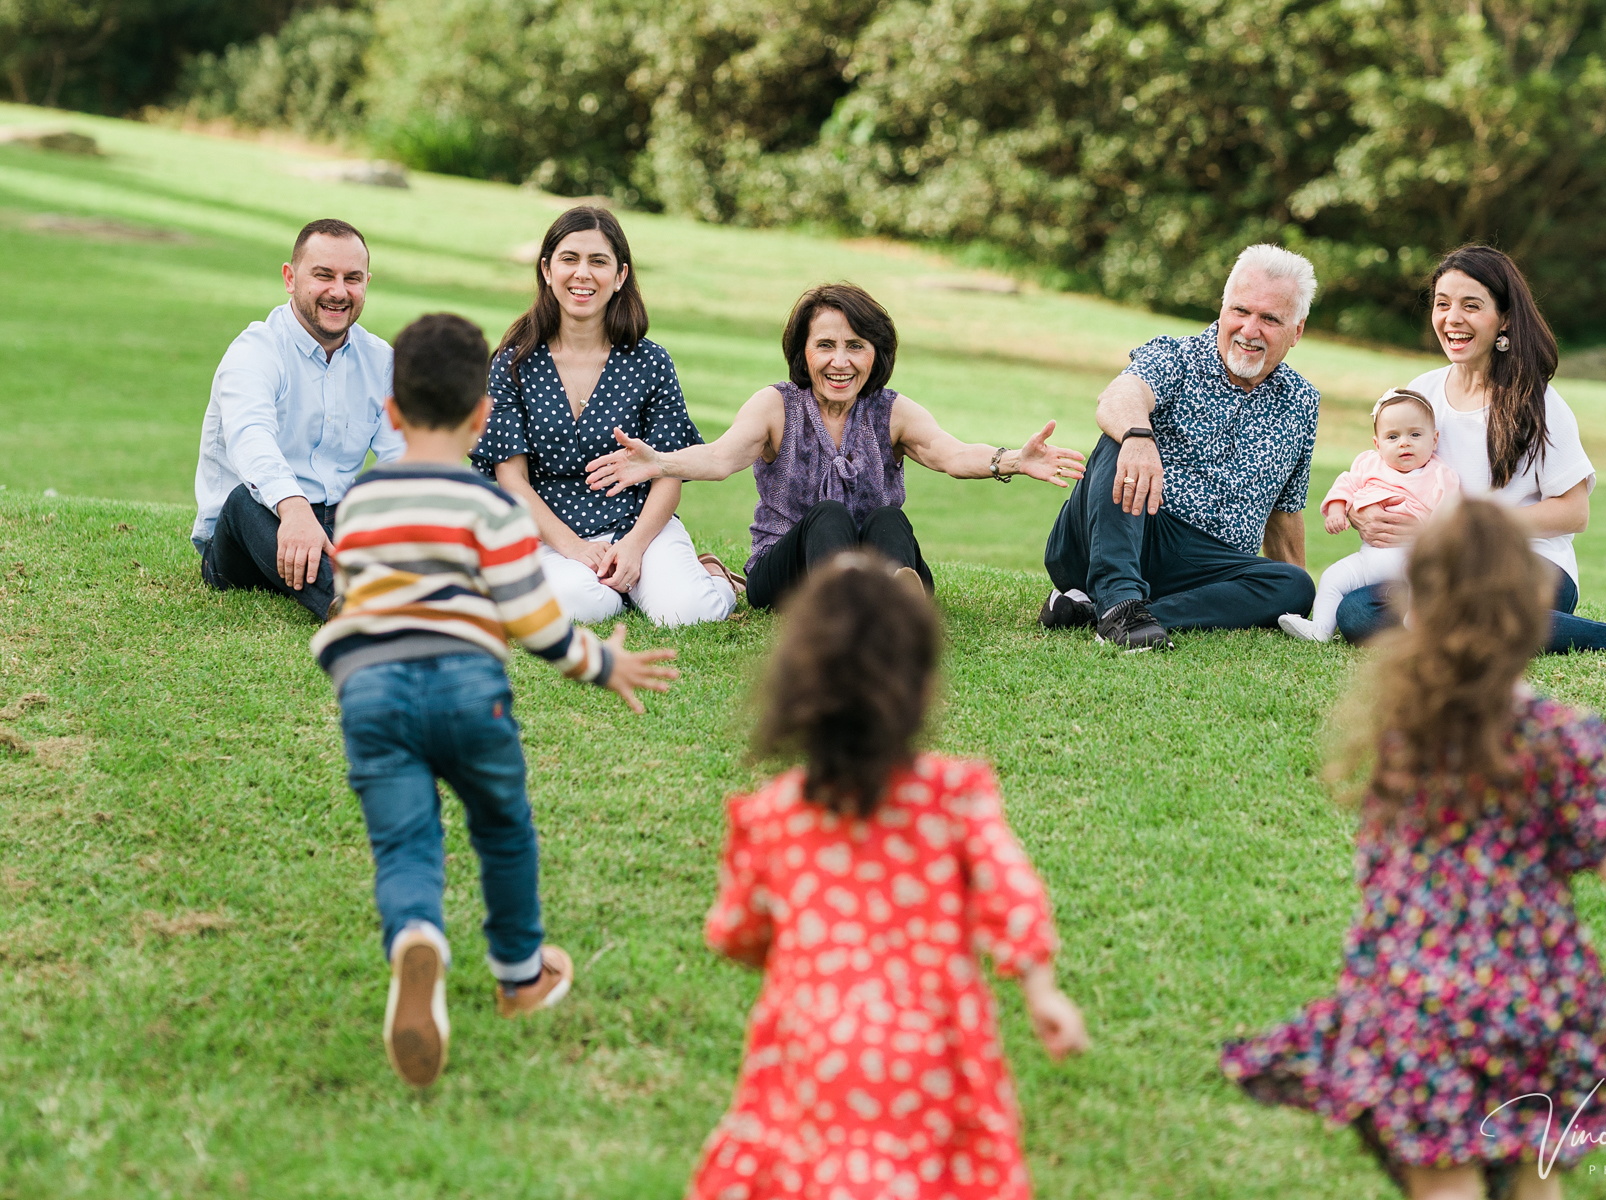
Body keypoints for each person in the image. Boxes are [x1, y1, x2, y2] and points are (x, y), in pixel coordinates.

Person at [1221, 499, 1606, 1200]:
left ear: (1415, 611)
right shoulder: (1568, 737)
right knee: (1529, 1170)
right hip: (1529, 997)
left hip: (1411, 995)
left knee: (1443, 1177)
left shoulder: (1402, 723)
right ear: (1533, 618)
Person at [311, 313, 681, 1088]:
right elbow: (534, 618)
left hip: (372, 696)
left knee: (406, 845)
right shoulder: (492, 509)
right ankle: (519, 976)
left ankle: (418, 935)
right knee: (504, 829)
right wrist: (601, 663)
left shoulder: (364, 500)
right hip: (467, 688)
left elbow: (348, 600)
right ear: (483, 417)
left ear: (392, 413)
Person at [689, 555, 1089, 1199]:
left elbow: (736, 932)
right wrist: (1042, 993)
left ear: (794, 689)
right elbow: (1013, 896)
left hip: (810, 1045)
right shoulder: (953, 798)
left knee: (811, 1169)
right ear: (923, 690)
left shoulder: (772, 816)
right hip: (932, 1048)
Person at [585, 283, 1088, 609]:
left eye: (855, 346)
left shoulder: (891, 411)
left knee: (889, 520)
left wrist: (1013, 461)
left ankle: (893, 604)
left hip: (880, 567)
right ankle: (847, 612)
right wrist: (659, 461)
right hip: (788, 574)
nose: (840, 361)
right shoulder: (776, 406)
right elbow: (720, 457)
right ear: (803, 351)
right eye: (826, 345)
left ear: (876, 353)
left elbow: (949, 453)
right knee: (828, 515)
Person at [1334, 245, 1606, 657]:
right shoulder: (1420, 394)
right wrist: (1363, 511)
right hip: (1445, 571)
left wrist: (1466, 532)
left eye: (1472, 305)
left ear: (1504, 318)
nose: (1453, 318)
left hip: (1529, 564)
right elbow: (1382, 473)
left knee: (1476, 607)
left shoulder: (1536, 401)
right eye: (1442, 304)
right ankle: (1460, 628)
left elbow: (1573, 512)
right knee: (1358, 613)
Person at [1040, 244, 1320, 651]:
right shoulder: (1175, 356)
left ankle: (1121, 612)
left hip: (1208, 566)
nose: (1249, 329)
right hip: (1128, 525)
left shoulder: (1301, 401)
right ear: (1223, 309)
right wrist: (1138, 438)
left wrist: (1293, 603)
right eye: (1240, 311)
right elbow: (1120, 395)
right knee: (1121, 440)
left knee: (1294, 585)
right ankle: (1118, 601)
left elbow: (1284, 513)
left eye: (1270, 319)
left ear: (1296, 331)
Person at [471, 206, 739, 626]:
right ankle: (617, 590)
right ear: (546, 269)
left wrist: (633, 547)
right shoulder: (513, 364)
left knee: (689, 614)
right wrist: (574, 547)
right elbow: (511, 479)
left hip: (638, 524)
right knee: (581, 602)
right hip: (550, 531)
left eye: (598, 261)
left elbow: (668, 472)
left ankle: (713, 577)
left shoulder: (651, 362)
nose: (583, 273)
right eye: (569, 258)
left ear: (620, 276)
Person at [192, 218, 403, 620]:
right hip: (249, 538)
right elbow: (250, 437)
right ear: (290, 278)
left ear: (366, 283)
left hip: (337, 524)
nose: (338, 292)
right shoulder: (255, 350)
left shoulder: (382, 361)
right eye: (323, 275)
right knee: (242, 499)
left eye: (352, 279)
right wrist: (293, 508)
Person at [1279, 389, 1459, 642]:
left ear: (1435, 439)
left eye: (1415, 434)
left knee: (1427, 578)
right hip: (1368, 559)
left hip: (1411, 556)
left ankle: (1417, 617)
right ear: (1377, 444)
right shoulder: (1369, 465)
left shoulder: (1440, 475)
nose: (1404, 443)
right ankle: (1320, 628)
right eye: (1392, 436)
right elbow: (1345, 486)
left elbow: (1449, 517)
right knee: (1333, 576)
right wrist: (1337, 510)